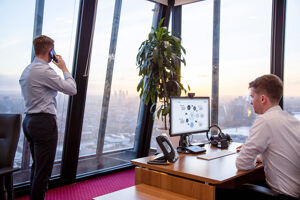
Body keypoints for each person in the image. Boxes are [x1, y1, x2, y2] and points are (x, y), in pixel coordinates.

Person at [19, 35, 77, 200]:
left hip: (29, 122)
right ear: (51, 51)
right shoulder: (44, 71)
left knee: (37, 167)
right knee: (43, 172)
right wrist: (64, 68)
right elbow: (71, 89)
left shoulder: (28, 69)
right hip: (43, 123)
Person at [236, 74, 300, 199]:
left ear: (262, 99)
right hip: (295, 191)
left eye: (252, 96)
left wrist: (253, 157)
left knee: (221, 193)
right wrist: (263, 156)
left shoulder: (265, 121)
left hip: (284, 195)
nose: (251, 101)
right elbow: (284, 151)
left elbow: (242, 164)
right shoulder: (290, 119)